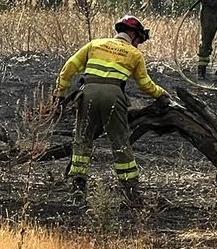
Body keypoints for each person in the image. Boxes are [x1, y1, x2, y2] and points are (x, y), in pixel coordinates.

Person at [54, 15, 170, 205]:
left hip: (87, 94)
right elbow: (145, 85)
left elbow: (69, 68)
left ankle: (78, 188)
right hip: (113, 96)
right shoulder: (134, 54)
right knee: (120, 142)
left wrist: (59, 94)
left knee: (82, 139)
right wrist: (162, 95)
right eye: (139, 40)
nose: (138, 45)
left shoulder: (95, 44)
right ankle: (130, 190)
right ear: (132, 33)